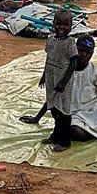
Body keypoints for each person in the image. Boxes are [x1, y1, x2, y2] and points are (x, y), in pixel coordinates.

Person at [20, 35, 97, 144]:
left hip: (95, 109)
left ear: (92, 53)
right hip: (74, 113)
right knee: (76, 133)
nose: (84, 55)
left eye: (88, 52)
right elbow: (53, 96)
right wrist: (37, 118)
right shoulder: (63, 70)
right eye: (81, 50)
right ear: (74, 50)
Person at [40, 10, 79, 152]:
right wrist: (44, 75)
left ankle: (64, 141)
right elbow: (48, 58)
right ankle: (55, 135)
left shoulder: (70, 43)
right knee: (54, 109)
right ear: (53, 24)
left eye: (65, 25)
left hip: (63, 83)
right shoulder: (50, 40)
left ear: (71, 26)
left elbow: (74, 63)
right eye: (58, 24)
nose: (61, 27)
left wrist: (63, 82)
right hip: (51, 79)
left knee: (63, 112)